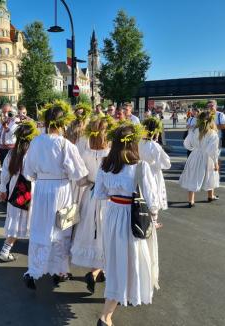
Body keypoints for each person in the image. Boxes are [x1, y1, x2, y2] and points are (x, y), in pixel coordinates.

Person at [94, 124, 159, 326]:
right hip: (133, 216)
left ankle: (114, 304)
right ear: (133, 142)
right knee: (131, 260)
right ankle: (106, 315)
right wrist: (154, 219)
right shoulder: (140, 166)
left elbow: (100, 194)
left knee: (116, 259)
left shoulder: (105, 164)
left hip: (113, 214)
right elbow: (152, 199)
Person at [22, 100, 88, 290]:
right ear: (63, 123)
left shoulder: (36, 142)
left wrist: (42, 176)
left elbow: (29, 172)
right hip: (61, 190)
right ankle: (60, 270)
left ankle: (33, 270)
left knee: (41, 229)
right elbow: (78, 173)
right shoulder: (65, 145)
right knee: (61, 229)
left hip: (42, 190)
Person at [70, 115, 113, 294]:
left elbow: (80, 180)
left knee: (91, 231)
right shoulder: (111, 154)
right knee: (105, 233)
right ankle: (98, 271)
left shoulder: (86, 153)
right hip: (108, 198)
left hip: (90, 195)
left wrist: (89, 182)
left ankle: (97, 270)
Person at [0, 121, 39, 262]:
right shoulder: (35, 153)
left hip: (16, 189)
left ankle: (6, 250)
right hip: (33, 189)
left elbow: (5, 173)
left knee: (16, 220)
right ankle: (36, 256)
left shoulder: (12, 152)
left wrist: (3, 188)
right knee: (34, 221)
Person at [179, 111, 220, 207]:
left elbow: (186, 143)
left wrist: (194, 149)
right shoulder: (213, 133)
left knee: (193, 176)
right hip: (207, 157)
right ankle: (210, 196)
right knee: (210, 175)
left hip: (195, 155)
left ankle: (191, 200)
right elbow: (213, 151)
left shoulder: (194, 130)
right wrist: (215, 162)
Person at [139, 117, 171, 226]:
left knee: (142, 192)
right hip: (152, 172)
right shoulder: (155, 146)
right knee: (153, 192)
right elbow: (166, 163)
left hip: (139, 171)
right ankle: (153, 220)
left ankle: (141, 215)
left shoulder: (139, 143)